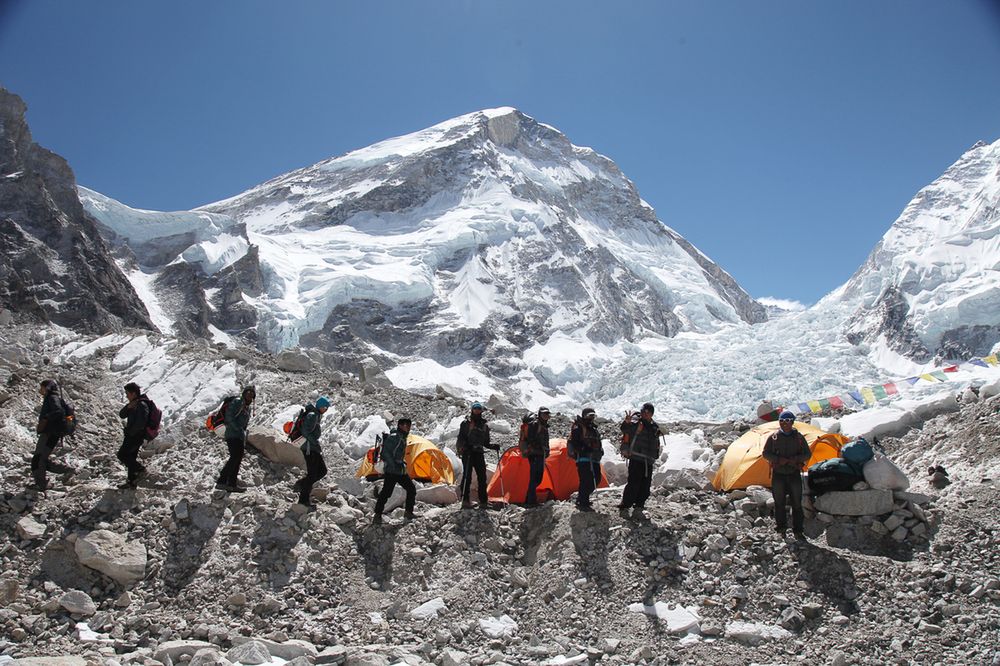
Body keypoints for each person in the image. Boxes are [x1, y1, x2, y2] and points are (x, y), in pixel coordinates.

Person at [762, 410, 811, 538]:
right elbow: (765, 453)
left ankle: (798, 530)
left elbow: (807, 454)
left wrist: (795, 459)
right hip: (778, 474)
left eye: (788, 420)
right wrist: (779, 460)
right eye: (782, 421)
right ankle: (781, 529)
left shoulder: (799, 437)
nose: (785, 423)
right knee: (779, 503)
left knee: (797, 504)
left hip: (794, 473)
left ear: (792, 422)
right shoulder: (774, 438)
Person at [618, 402, 661, 518]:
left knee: (645, 486)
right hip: (636, 458)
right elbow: (625, 429)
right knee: (633, 483)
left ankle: (639, 507)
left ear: (652, 414)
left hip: (648, 460)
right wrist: (626, 422)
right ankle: (625, 506)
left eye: (648, 412)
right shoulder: (636, 422)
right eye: (643, 412)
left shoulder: (654, 427)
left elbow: (656, 443)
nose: (645, 414)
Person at [373, 418, 417, 524]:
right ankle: (377, 514)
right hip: (392, 471)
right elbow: (386, 453)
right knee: (387, 492)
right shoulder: (394, 437)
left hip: (399, 470)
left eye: (409, 426)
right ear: (401, 426)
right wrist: (393, 464)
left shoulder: (401, 437)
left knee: (411, 489)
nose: (409, 428)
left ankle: (408, 512)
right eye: (407, 425)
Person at [456, 402, 496, 509]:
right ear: (472, 410)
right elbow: (461, 438)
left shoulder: (484, 426)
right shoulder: (466, 423)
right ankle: (465, 500)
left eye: (479, 408)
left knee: (482, 477)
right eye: (475, 408)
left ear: (481, 411)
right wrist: (464, 447)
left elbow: (486, 443)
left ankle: (483, 501)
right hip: (468, 453)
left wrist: (493, 446)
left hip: (478, 453)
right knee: (467, 477)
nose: (477, 410)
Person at [216, 386, 255, 493]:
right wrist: (238, 429)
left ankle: (231, 484)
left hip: (239, 436)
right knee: (235, 457)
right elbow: (229, 416)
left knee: (237, 458)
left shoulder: (247, 407)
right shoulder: (237, 402)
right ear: (244, 393)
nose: (250, 395)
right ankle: (222, 481)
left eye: (252, 393)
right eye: (248, 392)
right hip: (232, 434)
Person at [31, 379, 69, 491]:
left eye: (42, 387)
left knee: (38, 458)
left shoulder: (52, 398)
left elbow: (59, 411)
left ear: (47, 388)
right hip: (52, 433)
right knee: (42, 458)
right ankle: (66, 470)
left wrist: (46, 418)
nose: (40, 390)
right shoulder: (52, 398)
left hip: (50, 433)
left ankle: (41, 484)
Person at [296, 396, 330, 506]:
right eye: (325, 407)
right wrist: (314, 442)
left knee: (322, 471)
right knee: (313, 474)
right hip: (309, 448)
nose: (326, 410)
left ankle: (302, 484)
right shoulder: (313, 415)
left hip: (312, 448)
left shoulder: (315, 415)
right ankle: (303, 499)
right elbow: (305, 431)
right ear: (320, 406)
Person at [569, 407, 602, 512]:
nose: (591, 417)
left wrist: (600, 451)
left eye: (593, 415)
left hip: (595, 458)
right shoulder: (578, 427)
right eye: (589, 415)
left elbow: (598, 442)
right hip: (583, 458)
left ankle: (582, 498)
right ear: (584, 416)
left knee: (597, 479)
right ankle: (583, 502)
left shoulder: (593, 428)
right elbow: (575, 442)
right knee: (585, 480)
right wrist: (584, 449)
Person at [118, 382, 150, 489]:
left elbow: (141, 423)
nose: (126, 395)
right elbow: (122, 414)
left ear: (133, 393)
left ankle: (140, 469)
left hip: (135, 436)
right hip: (133, 436)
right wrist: (128, 407)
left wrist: (130, 432)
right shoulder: (133, 404)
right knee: (131, 457)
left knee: (122, 455)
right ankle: (131, 482)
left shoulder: (141, 405)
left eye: (127, 393)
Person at [521, 407, 551, 506]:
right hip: (534, 453)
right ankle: (531, 501)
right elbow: (530, 438)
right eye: (544, 414)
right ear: (539, 414)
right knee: (535, 477)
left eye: (547, 414)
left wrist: (546, 450)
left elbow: (545, 441)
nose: (546, 416)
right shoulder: (534, 424)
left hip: (540, 454)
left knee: (538, 477)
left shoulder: (544, 426)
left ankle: (528, 498)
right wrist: (539, 446)